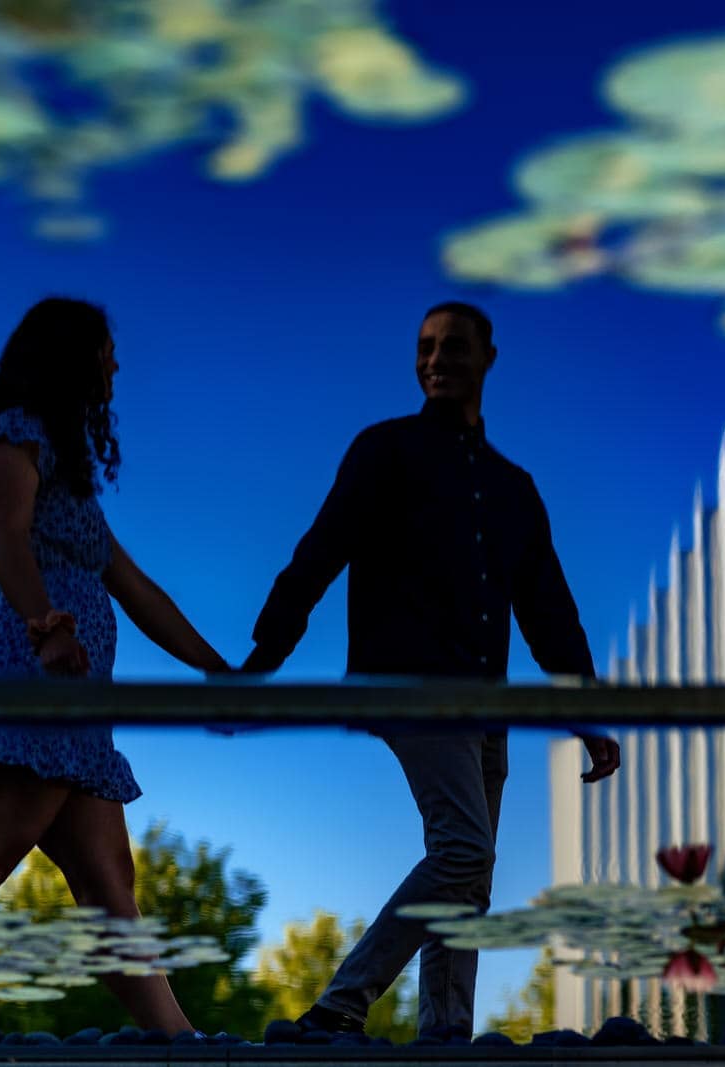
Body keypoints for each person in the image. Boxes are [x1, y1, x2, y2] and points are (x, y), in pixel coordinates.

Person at [240, 301, 621, 1038]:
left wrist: (587, 709)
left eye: (451, 346)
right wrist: (263, 659)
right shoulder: (385, 450)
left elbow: (549, 611)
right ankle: (340, 1006)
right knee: (464, 849)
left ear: (487, 358)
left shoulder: (515, 488)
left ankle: (446, 1034)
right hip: (409, 683)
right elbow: (319, 551)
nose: (435, 358)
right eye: (424, 347)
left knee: (468, 874)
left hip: (486, 700)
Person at [0, 297, 231, 1039]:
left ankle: (183, 1046)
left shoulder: (69, 478)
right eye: (105, 349)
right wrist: (45, 627)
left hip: (73, 698)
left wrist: (217, 669)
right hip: (26, 667)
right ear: (69, 356)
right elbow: (6, 536)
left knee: (112, 888)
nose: (115, 363)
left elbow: (137, 589)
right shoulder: (11, 434)